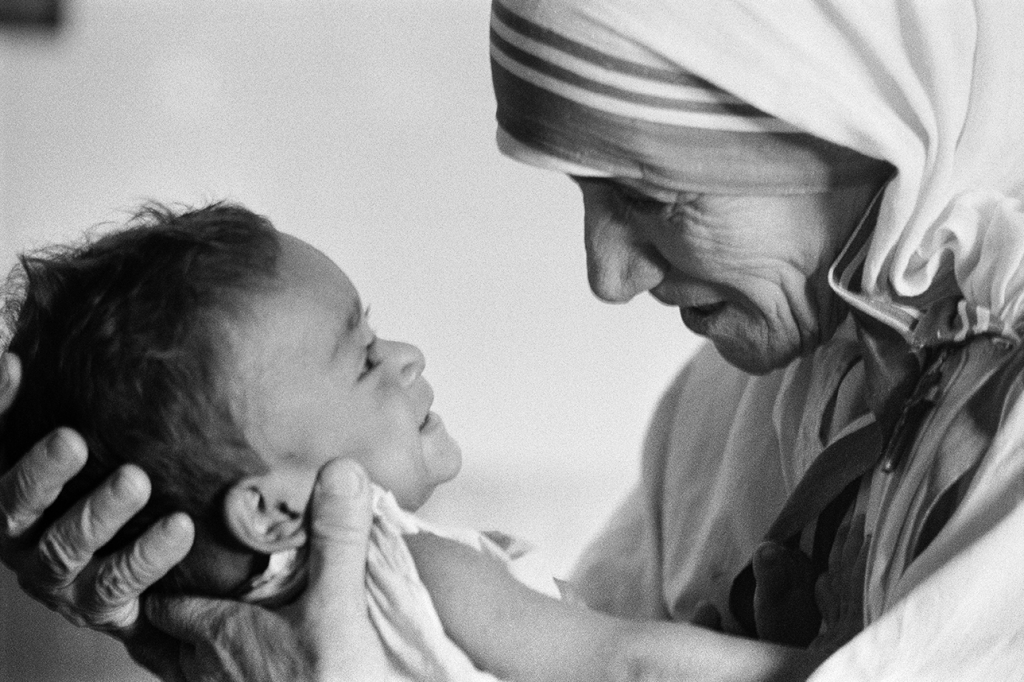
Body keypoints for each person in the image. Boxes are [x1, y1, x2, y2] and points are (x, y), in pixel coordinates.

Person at [2, 0, 1024, 679]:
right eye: (586, 195)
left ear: (856, 118)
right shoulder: (727, 407)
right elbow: (601, 650)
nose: (608, 275)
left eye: (649, 193)